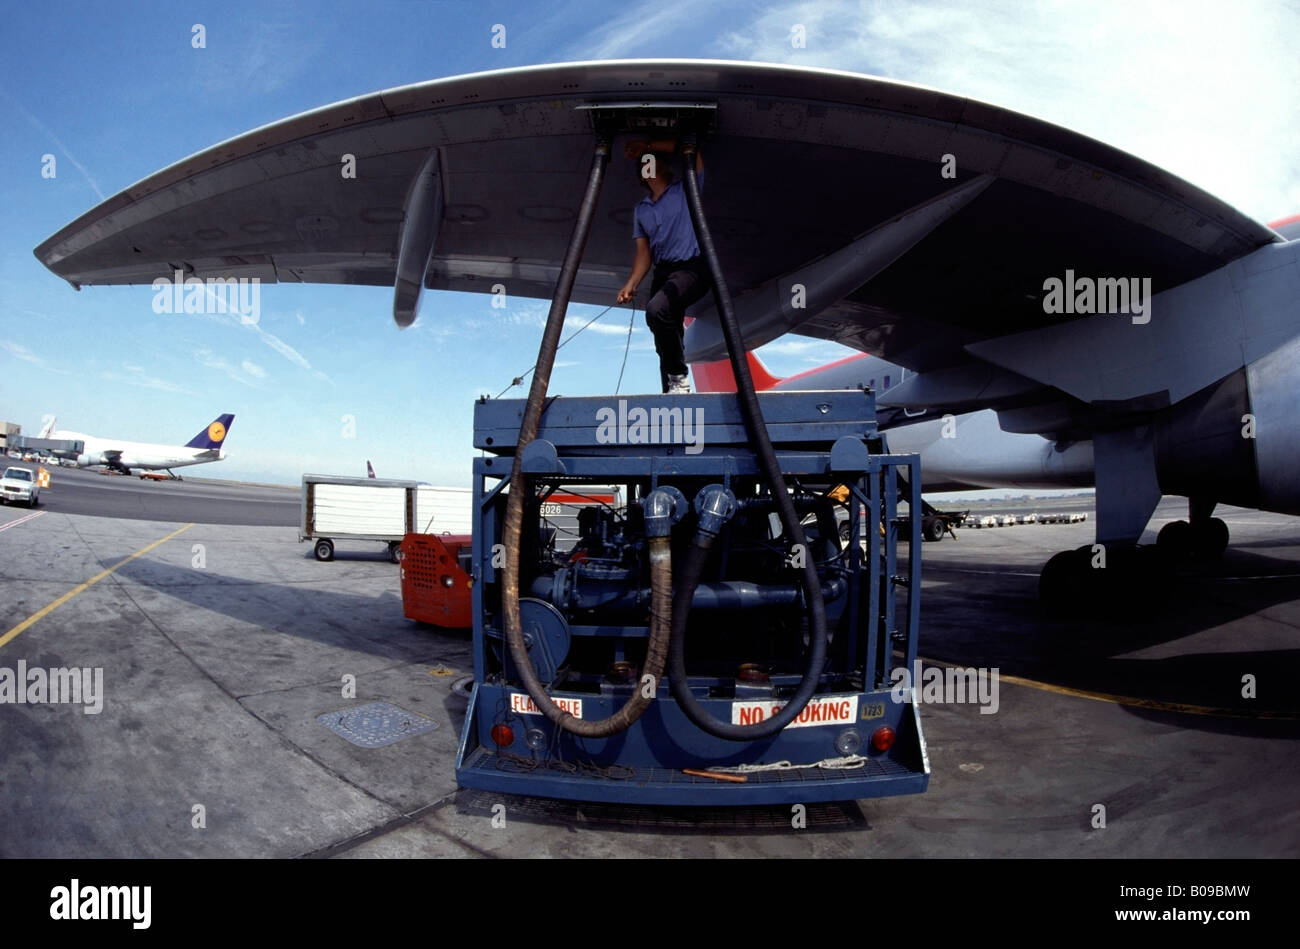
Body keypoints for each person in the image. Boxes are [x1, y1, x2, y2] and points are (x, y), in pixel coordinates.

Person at [616, 139, 710, 394]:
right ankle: (672, 392)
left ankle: (679, 377)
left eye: (652, 160)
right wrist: (631, 283)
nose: (647, 164)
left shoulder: (685, 190)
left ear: (664, 167)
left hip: (692, 268)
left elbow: (692, 150)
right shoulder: (641, 210)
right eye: (643, 162)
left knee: (657, 310)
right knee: (663, 331)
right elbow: (644, 253)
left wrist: (646, 144)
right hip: (664, 272)